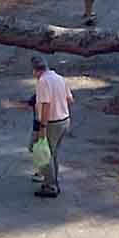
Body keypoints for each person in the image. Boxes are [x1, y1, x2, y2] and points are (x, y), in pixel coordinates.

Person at [32, 56, 72, 198]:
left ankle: (50, 186)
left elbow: (46, 105)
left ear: (36, 70)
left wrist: (43, 127)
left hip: (52, 123)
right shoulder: (60, 78)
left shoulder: (43, 81)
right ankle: (54, 180)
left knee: (44, 154)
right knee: (53, 153)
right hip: (64, 120)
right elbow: (70, 99)